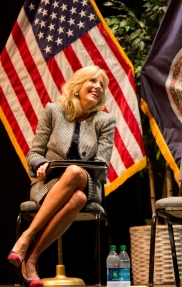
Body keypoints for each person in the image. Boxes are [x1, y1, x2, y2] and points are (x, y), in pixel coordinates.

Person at [7, 65, 116, 287]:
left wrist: (81, 170)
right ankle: (31, 261)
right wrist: (41, 163)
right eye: (92, 81)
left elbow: (102, 166)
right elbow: (34, 153)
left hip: (88, 183)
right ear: (78, 86)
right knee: (77, 199)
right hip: (50, 184)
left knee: (76, 173)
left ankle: (26, 237)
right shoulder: (53, 111)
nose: (98, 87)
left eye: (101, 84)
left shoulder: (105, 121)